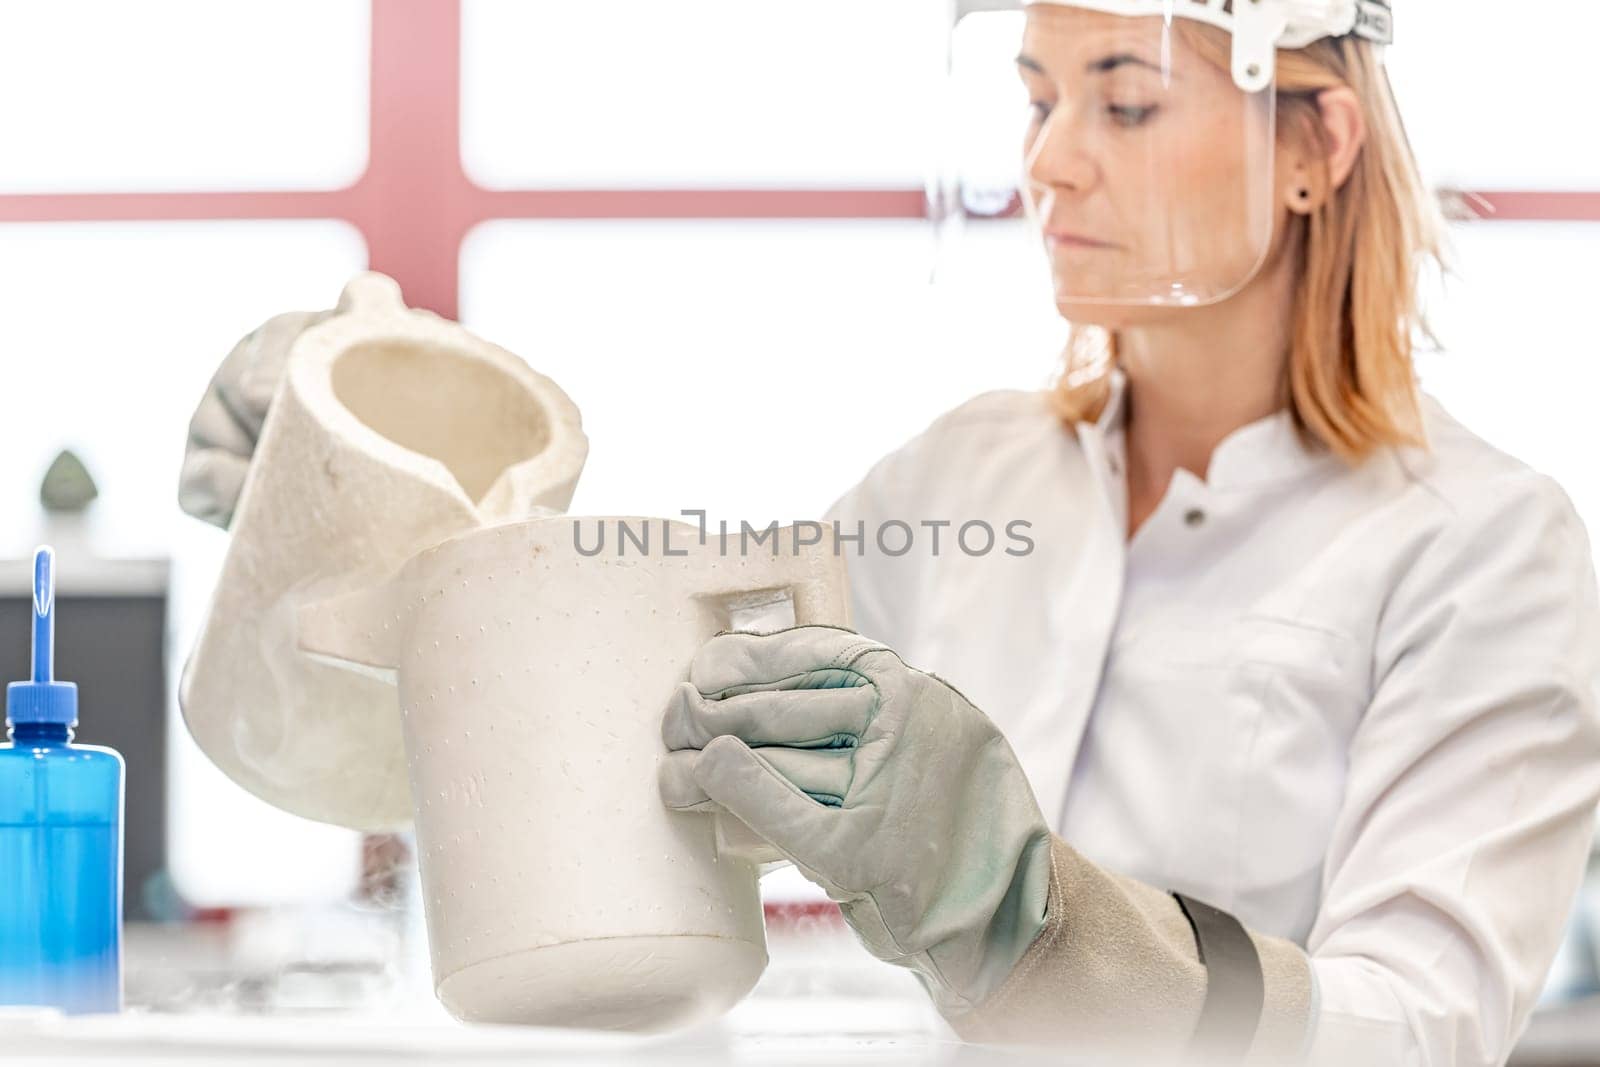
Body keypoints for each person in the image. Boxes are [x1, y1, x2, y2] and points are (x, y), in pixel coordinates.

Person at [180, 1, 1600, 1062]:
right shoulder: (970, 477)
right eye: (1035, 100)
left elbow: (1417, 1030)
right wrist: (348, 503)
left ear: (1317, 144)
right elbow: (625, 727)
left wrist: (1045, 927)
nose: (1048, 163)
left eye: (1125, 104)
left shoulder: (1485, 549)